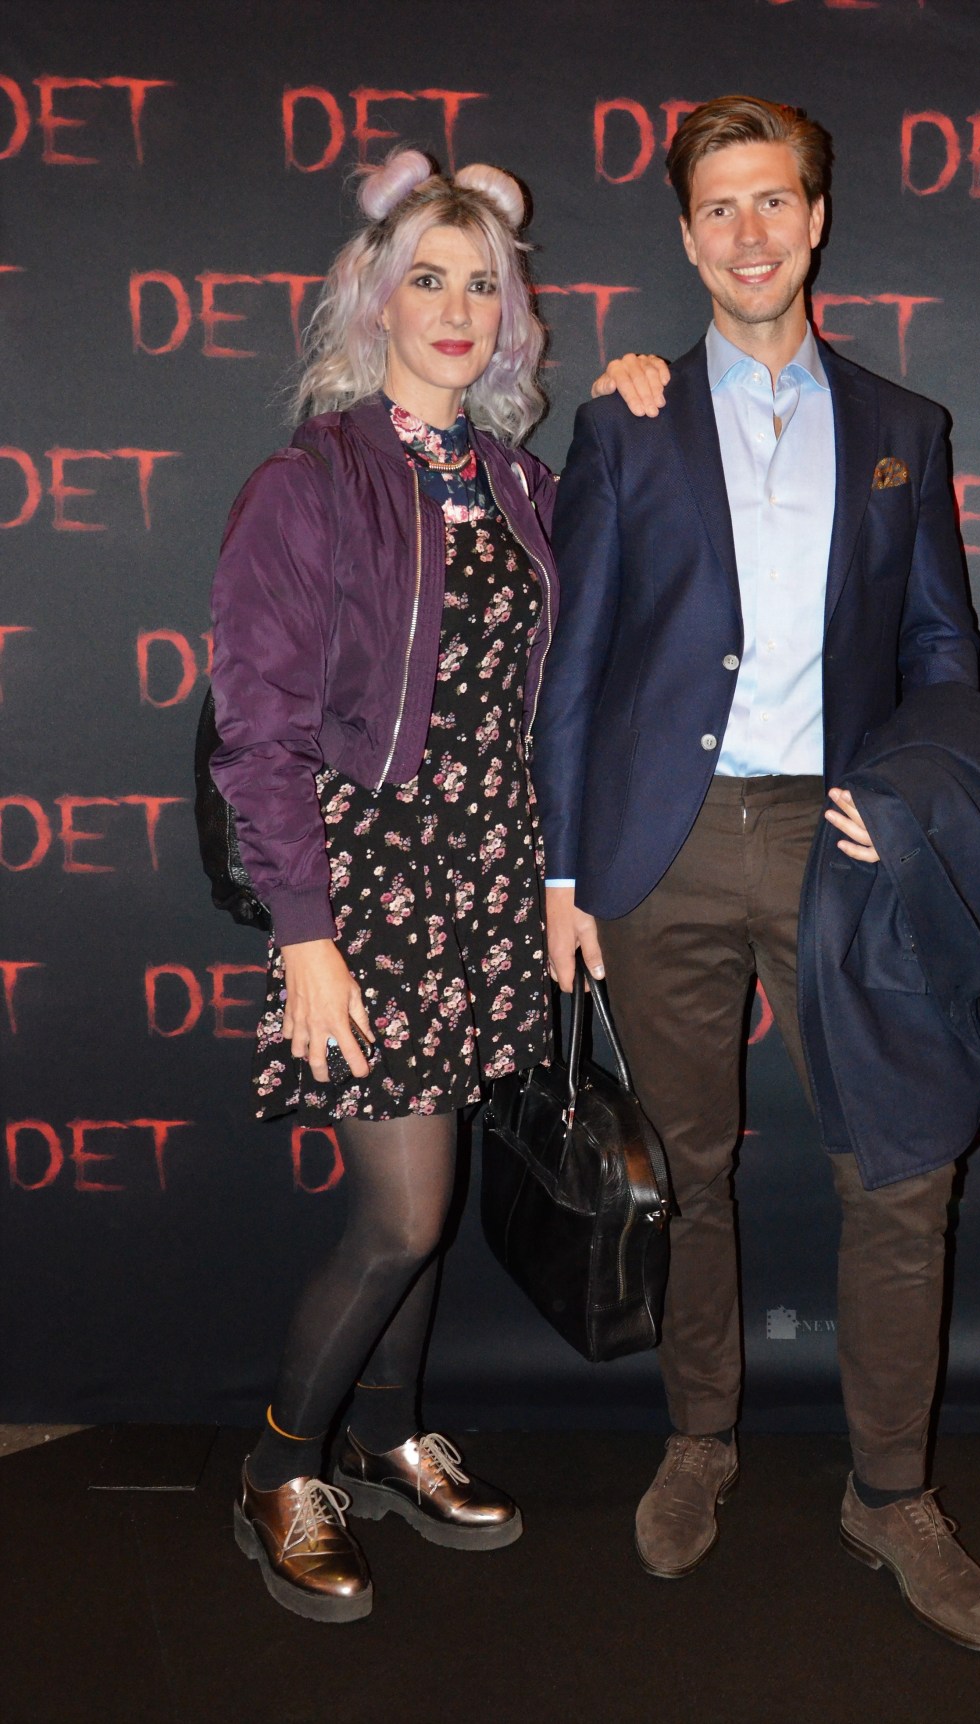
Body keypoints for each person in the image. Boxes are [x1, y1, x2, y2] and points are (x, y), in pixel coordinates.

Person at [535, 95, 980, 1652]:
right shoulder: (625, 420)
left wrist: (911, 798)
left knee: (903, 1173)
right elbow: (574, 663)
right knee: (687, 1175)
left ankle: (891, 1494)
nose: (749, 232)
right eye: (718, 207)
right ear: (687, 238)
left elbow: (942, 645)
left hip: (839, 842)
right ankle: (699, 1442)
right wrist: (562, 871)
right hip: (660, 850)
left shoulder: (905, 430)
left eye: (774, 201)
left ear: (817, 220)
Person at [209, 148, 564, 1623]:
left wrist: (555, 880)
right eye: (430, 278)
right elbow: (257, 731)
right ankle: (279, 1465)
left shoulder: (523, 485)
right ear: (376, 301)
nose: (459, 308)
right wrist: (306, 935)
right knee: (405, 1216)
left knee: (444, 1186)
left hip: (488, 877)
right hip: (368, 890)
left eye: (485, 284)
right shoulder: (312, 481)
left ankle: (389, 1433)